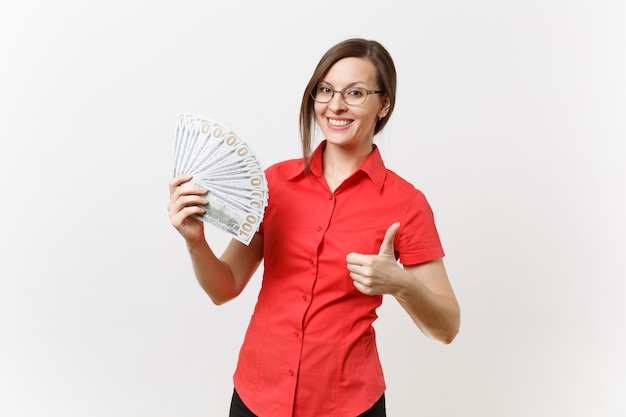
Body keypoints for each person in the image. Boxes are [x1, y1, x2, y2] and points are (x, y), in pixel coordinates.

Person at [167, 38, 460, 417]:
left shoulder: (406, 203)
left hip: (347, 404)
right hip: (258, 396)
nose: (335, 105)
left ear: (384, 103)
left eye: (355, 93)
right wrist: (195, 241)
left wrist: (401, 284)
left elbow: (447, 327)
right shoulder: (273, 184)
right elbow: (224, 287)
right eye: (326, 90)